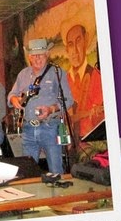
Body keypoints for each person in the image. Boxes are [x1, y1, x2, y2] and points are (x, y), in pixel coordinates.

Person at [7, 38, 74, 176]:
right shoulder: (23, 74)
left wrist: (51, 109)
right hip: (28, 128)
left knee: (56, 170)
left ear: (47, 54)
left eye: (41, 55)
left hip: (50, 127)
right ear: (29, 57)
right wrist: (14, 100)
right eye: (34, 55)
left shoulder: (57, 72)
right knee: (27, 172)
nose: (37, 58)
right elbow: (11, 95)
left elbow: (68, 100)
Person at [64, 24, 105, 141]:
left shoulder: (96, 76)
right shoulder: (63, 80)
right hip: (70, 142)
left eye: (78, 41)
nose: (74, 50)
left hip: (91, 141)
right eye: (70, 44)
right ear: (67, 49)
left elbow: (99, 118)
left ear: (86, 41)